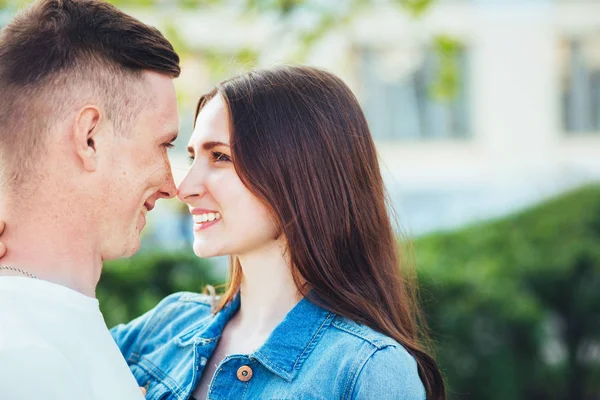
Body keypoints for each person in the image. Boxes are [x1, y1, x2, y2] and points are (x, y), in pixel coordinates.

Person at [109, 66, 446, 399]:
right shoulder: (169, 324)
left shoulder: (366, 371)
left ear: (301, 173)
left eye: (220, 157)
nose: (185, 187)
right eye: (193, 156)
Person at [0, 0, 180, 398]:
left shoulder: (50, 326)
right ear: (89, 138)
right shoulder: (22, 358)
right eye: (164, 144)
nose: (173, 185)